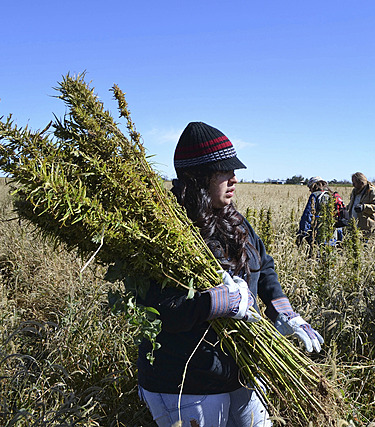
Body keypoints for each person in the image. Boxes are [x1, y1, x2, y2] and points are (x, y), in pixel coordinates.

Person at [137, 122, 324, 427]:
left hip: (242, 371)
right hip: (187, 382)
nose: (234, 178)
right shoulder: (166, 233)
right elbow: (159, 310)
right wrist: (213, 303)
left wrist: (284, 312)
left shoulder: (234, 219)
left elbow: (263, 265)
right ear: (197, 178)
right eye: (223, 171)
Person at [297, 176, 342, 247]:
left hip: (318, 233)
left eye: (310, 188)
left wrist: (302, 233)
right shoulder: (333, 195)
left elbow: (307, 216)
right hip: (333, 234)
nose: (310, 190)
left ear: (313, 186)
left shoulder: (315, 195)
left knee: (318, 255)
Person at [345, 172, 375, 238]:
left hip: (367, 228)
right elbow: (351, 204)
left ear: (361, 182)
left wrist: (364, 207)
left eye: (354, 183)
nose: (353, 185)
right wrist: (344, 209)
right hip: (354, 226)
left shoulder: (372, 192)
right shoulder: (355, 192)